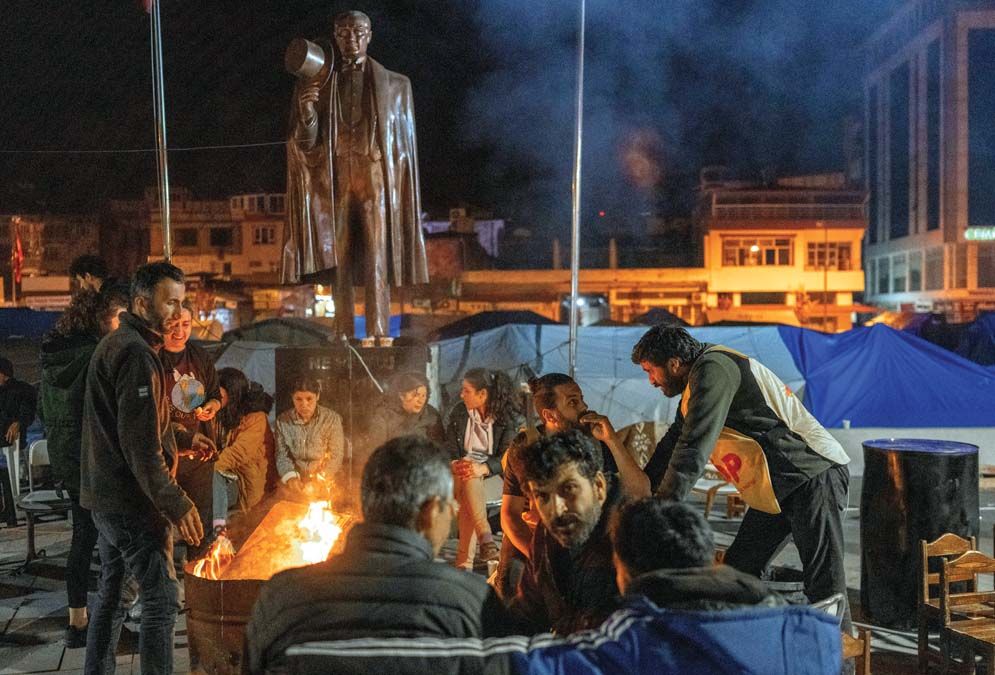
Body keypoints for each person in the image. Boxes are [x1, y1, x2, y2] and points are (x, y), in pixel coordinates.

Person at [631, 325, 852, 630]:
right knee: (740, 569)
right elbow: (674, 441)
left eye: (650, 371)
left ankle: (840, 662)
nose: (651, 381)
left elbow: (693, 446)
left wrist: (664, 513)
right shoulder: (697, 384)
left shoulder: (713, 369)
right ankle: (752, 640)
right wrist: (639, 486)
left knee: (824, 582)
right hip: (774, 487)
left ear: (674, 363)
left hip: (811, 474)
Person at [245, 435, 518, 675]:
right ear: (433, 509)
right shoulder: (471, 600)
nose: (453, 513)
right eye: (451, 506)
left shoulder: (280, 596)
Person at [80, 261, 206, 675]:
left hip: (106, 497)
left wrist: (186, 440)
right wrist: (177, 503)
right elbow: (140, 446)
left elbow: (141, 423)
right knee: (162, 599)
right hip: (132, 502)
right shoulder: (135, 353)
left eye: (181, 303)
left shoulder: (125, 344)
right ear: (141, 303)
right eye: (170, 303)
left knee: (113, 594)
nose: (177, 313)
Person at [284, 9, 428, 338]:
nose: (352, 39)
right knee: (340, 262)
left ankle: (379, 333)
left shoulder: (397, 85)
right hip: (333, 177)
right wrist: (307, 112)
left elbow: (404, 147)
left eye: (359, 32)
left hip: (375, 175)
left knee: (378, 256)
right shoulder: (316, 81)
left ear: (370, 35)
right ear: (335, 36)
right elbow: (303, 144)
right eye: (345, 32)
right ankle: (343, 330)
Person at [496, 372, 648, 600]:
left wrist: (611, 440)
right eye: (573, 402)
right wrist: (540, 560)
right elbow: (510, 514)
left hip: (585, 536)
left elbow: (641, 491)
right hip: (534, 534)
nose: (585, 407)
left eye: (582, 399)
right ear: (550, 415)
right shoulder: (527, 445)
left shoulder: (592, 441)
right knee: (511, 582)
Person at [39, 287, 128, 648]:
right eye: (116, 317)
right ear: (99, 318)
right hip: (95, 458)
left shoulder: (52, 357)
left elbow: (45, 411)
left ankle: (77, 621)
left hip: (66, 457)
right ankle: (111, 620)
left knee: (81, 537)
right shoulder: (96, 354)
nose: (120, 325)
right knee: (111, 541)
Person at [510, 429, 623, 634]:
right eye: (543, 497)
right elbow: (526, 615)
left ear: (599, 487)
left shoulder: (630, 539)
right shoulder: (545, 538)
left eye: (568, 489)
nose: (556, 510)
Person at [444, 367, 523, 569]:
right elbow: (450, 449)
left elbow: (507, 456)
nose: (461, 395)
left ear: (483, 394)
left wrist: (483, 468)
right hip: (461, 473)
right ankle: (485, 540)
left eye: (466, 391)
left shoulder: (507, 420)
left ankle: (464, 563)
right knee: (468, 478)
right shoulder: (460, 413)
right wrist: (455, 463)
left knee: (469, 487)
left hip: (494, 475)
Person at [161, 304, 222, 552]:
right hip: (166, 458)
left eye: (185, 325)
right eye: (173, 325)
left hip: (199, 457)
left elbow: (216, 394)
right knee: (163, 526)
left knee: (201, 525)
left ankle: (198, 577)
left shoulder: (199, 355)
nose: (179, 331)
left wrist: (211, 406)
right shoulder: (152, 358)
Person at [212, 368, 277, 520]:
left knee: (211, 477)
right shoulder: (223, 413)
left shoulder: (256, 418)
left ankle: (219, 531)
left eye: (220, 395)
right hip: (230, 480)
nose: (215, 398)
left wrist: (206, 468)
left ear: (233, 394)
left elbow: (239, 452)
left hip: (250, 486)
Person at [274, 378, 344, 489]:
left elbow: (336, 455)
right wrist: (291, 478)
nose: (304, 404)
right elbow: (282, 454)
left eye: (309, 399)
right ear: (292, 398)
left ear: (318, 396)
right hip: (296, 480)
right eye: (298, 399)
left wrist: (319, 480)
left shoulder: (331, 419)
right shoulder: (282, 421)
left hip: (325, 481)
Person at [0, 355, 37, 526]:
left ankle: (11, 513)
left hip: (11, 444)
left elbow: (27, 411)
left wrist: (19, 423)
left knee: (6, 470)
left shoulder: (22, 390)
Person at [367, 371, 444, 450]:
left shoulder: (431, 415)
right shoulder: (384, 415)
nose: (420, 401)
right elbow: (375, 451)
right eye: (415, 395)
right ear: (402, 396)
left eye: (423, 395)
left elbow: (439, 450)